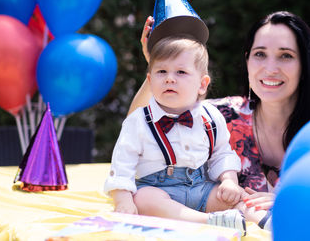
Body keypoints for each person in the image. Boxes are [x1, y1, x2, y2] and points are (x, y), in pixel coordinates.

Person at [129, 11, 310, 227]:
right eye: (260, 54)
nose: (270, 68)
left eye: (286, 55)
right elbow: (139, 127)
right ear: (247, 61)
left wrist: (291, 201)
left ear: (305, 65)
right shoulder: (221, 115)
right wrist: (157, 70)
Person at [104, 36, 265, 235]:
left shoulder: (211, 117)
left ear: (202, 84)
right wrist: (123, 200)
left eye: (181, 72)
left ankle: (266, 221)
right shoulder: (139, 121)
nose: (169, 78)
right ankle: (208, 221)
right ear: (150, 79)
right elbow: (122, 164)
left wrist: (229, 180)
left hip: (202, 188)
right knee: (143, 199)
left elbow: (222, 153)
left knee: (237, 196)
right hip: (160, 191)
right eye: (161, 71)